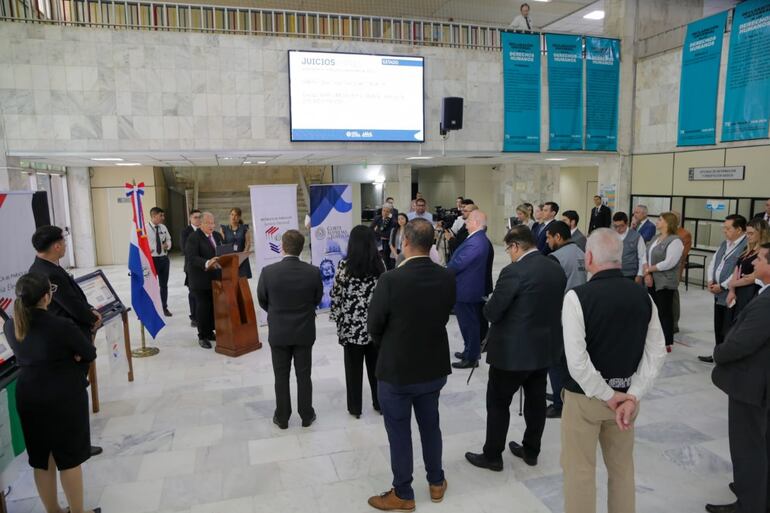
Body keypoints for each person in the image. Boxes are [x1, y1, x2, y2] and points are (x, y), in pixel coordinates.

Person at [561, 229, 666, 513]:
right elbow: (657, 351)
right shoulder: (643, 297)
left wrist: (607, 394)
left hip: (586, 400)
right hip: (627, 403)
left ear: (590, 257)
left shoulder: (577, 297)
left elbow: (577, 362)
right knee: (622, 471)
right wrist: (632, 395)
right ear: (620, 259)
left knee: (580, 471)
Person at [366, 219, 455, 511]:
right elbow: (443, 315)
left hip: (397, 371)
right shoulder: (446, 277)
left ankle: (403, 493)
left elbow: (374, 326)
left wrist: (390, 345)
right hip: (433, 367)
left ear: (404, 242)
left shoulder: (390, 280)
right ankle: (436, 482)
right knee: (431, 426)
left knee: (399, 432)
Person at [465, 226, 566, 472]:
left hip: (512, 353)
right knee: (536, 402)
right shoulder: (554, 267)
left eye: (509, 248)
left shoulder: (514, 272)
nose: (509, 253)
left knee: (498, 403)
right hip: (543, 349)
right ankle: (531, 450)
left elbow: (492, 312)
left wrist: (490, 304)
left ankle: (492, 455)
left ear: (516, 246)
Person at [3, 273, 101, 513]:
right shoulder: (60, 325)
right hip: (63, 395)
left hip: (29, 394)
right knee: (69, 459)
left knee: (41, 459)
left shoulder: (10, 323)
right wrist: (74, 357)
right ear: (46, 297)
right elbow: (88, 352)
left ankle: (53, 510)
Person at [29, 225, 103, 457]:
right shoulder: (47, 272)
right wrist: (91, 317)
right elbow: (69, 304)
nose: (66, 245)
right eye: (64, 241)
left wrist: (89, 309)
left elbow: (74, 297)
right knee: (73, 392)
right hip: (68, 337)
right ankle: (76, 443)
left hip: (70, 331)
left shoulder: (47, 267)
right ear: (57, 245)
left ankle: (74, 439)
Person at [707, 243, 770, 513]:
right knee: (759, 443)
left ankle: (750, 503)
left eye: (760, 259)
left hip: (751, 385)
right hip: (758, 382)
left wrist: (719, 352)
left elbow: (742, 343)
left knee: (748, 446)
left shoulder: (767, 303)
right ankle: (754, 489)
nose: (754, 263)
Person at [257, 230, 323, 429]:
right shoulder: (313, 272)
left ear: (283, 247)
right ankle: (306, 415)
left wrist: (276, 313)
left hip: (279, 332)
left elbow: (262, 300)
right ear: (301, 248)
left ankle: (282, 417)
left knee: (281, 376)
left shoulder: (268, 272)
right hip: (304, 331)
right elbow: (317, 299)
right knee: (304, 375)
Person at [330, 225, 385, 419]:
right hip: (375, 328)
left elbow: (336, 297)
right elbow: (384, 297)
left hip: (351, 329)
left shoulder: (344, 266)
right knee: (377, 369)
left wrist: (338, 321)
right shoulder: (380, 266)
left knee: (353, 370)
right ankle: (380, 403)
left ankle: (355, 408)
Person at [545, 220, 587, 418]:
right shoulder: (581, 253)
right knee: (572, 358)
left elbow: (550, 289)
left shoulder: (555, 257)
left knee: (556, 359)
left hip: (561, 313)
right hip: (581, 312)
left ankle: (559, 403)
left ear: (558, 237)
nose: (547, 241)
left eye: (549, 237)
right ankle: (564, 394)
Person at [698, 215, 748, 363]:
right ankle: (717, 353)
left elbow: (738, 271)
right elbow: (714, 262)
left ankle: (727, 357)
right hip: (717, 292)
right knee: (718, 325)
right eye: (724, 228)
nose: (724, 231)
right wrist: (709, 280)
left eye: (728, 228)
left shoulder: (745, 246)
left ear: (739, 229)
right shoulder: (724, 243)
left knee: (729, 327)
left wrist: (723, 285)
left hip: (730, 293)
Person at [447, 210, 491, 369]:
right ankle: (468, 351)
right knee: (467, 324)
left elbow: (458, 263)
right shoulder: (476, 238)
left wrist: (447, 269)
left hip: (467, 290)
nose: (465, 223)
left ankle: (472, 357)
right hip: (465, 288)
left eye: (468, 220)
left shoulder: (477, 241)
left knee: (469, 325)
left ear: (476, 222)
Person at [643, 212, 684, 352]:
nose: (657, 221)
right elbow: (645, 255)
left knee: (664, 311)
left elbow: (669, 262)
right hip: (652, 279)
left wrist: (650, 269)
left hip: (665, 281)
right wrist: (646, 272)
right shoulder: (656, 238)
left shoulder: (675, 241)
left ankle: (667, 341)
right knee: (653, 310)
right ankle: (653, 338)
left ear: (668, 222)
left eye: (660, 219)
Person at [184, 212, 223, 349]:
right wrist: (207, 262)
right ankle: (202, 336)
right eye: (208, 223)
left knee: (212, 307)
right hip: (199, 280)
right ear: (201, 223)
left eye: (213, 223)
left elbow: (222, 252)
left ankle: (209, 332)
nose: (212, 225)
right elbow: (192, 258)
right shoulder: (194, 237)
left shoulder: (217, 236)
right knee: (202, 308)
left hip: (215, 279)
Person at [725, 219, 770, 323]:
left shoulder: (764, 252)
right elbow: (737, 269)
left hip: (751, 291)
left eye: (751, 233)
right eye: (746, 233)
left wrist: (732, 284)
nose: (748, 236)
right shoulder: (747, 249)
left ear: (762, 233)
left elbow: (752, 277)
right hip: (738, 291)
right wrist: (731, 290)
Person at [147, 207, 172, 317]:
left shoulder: (163, 227)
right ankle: (152, 307)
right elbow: (141, 244)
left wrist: (168, 245)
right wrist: (149, 249)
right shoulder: (145, 228)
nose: (163, 218)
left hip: (163, 259)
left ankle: (164, 307)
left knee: (164, 285)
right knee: (151, 285)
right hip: (151, 260)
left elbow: (169, 239)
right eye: (161, 216)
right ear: (154, 216)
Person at [181, 209, 202, 327]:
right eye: (195, 217)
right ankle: (194, 317)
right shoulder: (186, 232)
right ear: (190, 219)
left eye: (200, 217)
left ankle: (203, 315)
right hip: (191, 267)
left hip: (204, 266)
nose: (198, 219)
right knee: (193, 292)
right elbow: (185, 249)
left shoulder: (204, 230)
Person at [672, 211, 692, 334]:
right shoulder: (665, 232)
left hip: (674, 269)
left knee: (673, 295)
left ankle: (674, 323)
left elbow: (682, 254)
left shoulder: (685, 234)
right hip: (660, 270)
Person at [612, 212, 646, 283]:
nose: (618, 229)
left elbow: (642, 257)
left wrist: (639, 275)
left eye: (621, 226)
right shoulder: (611, 236)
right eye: (615, 226)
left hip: (630, 274)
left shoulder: (637, 237)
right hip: (614, 273)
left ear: (627, 223)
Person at [219, 207, 253, 279]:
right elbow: (222, 244)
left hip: (242, 259)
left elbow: (248, 243)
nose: (233, 217)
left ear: (239, 217)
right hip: (229, 259)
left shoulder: (244, 228)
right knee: (231, 283)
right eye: (232, 214)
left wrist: (243, 256)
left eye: (236, 215)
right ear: (229, 215)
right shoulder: (223, 229)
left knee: (242, 283)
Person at [371, 205, 396, 270]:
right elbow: (371, 229)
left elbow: (388, 234)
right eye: (383, 210)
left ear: (390, 212)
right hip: (377, 242)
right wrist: (380, 234)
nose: (384, 213)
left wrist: (377, 230)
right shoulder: (377, 218)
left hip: (387, 245)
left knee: (386, 261)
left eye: (387, 211)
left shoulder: (393, 221)